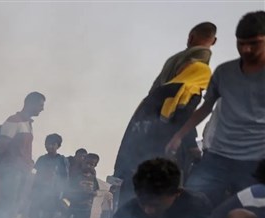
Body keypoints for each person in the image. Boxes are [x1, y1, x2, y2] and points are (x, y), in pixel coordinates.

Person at [166, 11, 265, 207]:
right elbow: (205, 109)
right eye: (241, 43)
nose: (246, 49)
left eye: (254, 43)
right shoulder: (224, 73)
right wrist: (179, 135)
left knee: (248, 210)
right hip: (217, 156)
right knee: (189, 202)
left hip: (254, 161)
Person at [114, 27, 215, 207]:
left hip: (138, 146)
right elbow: (185, 111)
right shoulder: (198, 74)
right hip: (163, 148)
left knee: (133, 190)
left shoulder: (153, 97)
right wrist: (191, 145)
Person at [0, 92, 46, 218]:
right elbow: (2, 146)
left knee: (16, 206)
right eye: (40, 105)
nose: (42, 109)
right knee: (7, 205)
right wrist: (2, 170)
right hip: (12, 171)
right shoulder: (14, 120)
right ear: (30, 103)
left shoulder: (28, 124)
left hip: (23, 172)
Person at [150, 22, 217, 92]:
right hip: (170, 100)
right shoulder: (202, 56)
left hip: (154, 100)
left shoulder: (172, 59)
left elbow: (154, 87)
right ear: (214, 41)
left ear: (191, 37)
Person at [29, 134, 68, 218]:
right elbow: (35, 174)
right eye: (47, 144)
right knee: (32, 213)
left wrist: (62, 193)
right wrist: (32, 189)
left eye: (52, 144)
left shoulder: (61, 160)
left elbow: (64, 177)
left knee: (48, 216)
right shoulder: (41, 159)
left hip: (53, 194)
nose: (49, 146)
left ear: (58, 146)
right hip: (39, 191)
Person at [60, 153, 100, 218]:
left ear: (95, 166)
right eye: (87, 163)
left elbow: (96, 191)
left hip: (86, 209)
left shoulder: (93, 178)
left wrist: (92, 193)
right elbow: (68, 191)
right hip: (75, 207)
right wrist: (80, 193)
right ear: (83, 162)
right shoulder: (76, 176)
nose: (89, 166)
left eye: (92, 165)